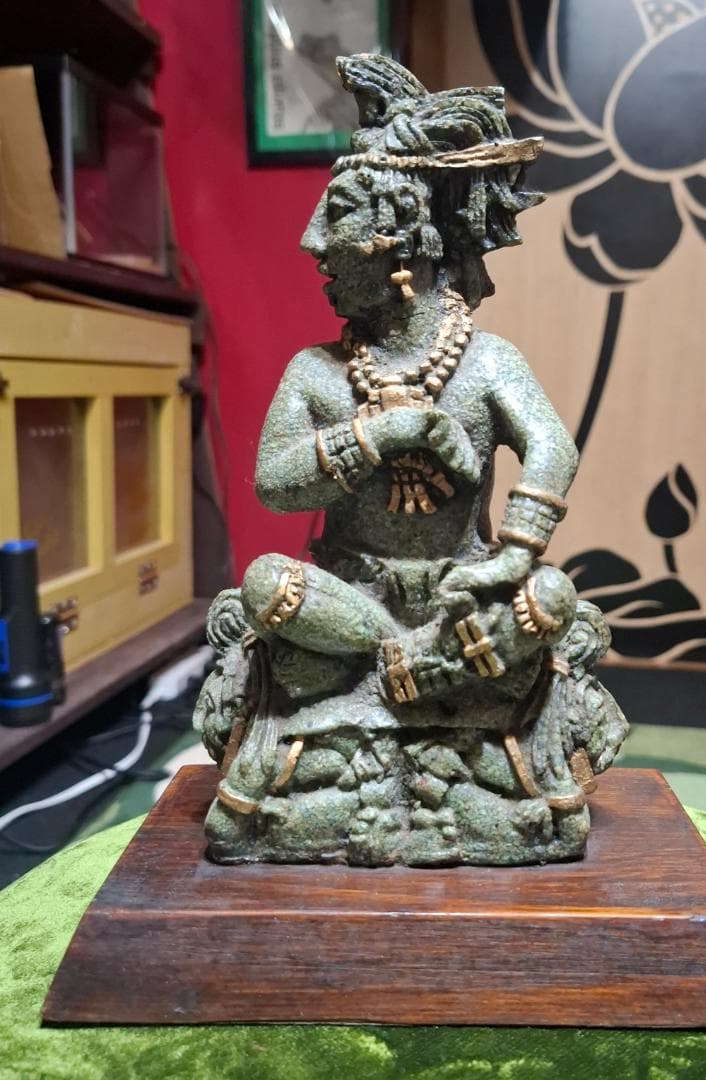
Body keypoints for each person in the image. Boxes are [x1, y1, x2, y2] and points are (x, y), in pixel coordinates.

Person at [195, 54, 627, 866]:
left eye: (338, 217)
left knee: (550, 596)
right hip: (351, 605)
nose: (312, 242)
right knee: (265, 584)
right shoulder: (316, 373)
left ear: (400, 238)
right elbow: (273, 485)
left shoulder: (487, 364)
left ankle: (419, 672)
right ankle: (411, 670)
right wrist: (380, 435)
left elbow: (550, 445)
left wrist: (513, 557)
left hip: (462, 600)